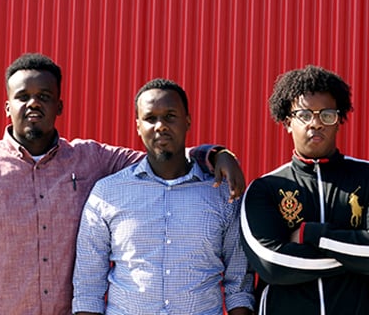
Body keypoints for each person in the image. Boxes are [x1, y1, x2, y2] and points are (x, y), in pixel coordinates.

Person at [0, 53, 244, 315]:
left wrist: (213, 155)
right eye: (22, 97)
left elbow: (160, 158)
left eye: (44, 97)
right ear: (8, 107)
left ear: (59, 106)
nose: (33, 104)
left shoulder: (89, 159)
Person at [72, 78, 253, 315]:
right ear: (138, 126)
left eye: (170, 116)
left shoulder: (222, 194)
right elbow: (88, 288)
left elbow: (238, 282)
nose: (160, 126)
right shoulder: (108, 194)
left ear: (187, 121)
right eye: (150, 118)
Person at [240, 65, 369, 314]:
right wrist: (358, 258)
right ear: (287, 122)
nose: (316, 123)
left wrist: (312, 234)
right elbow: (272, 264)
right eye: (305, 115)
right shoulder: (265, 188)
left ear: (339, 120)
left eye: (327, 115)